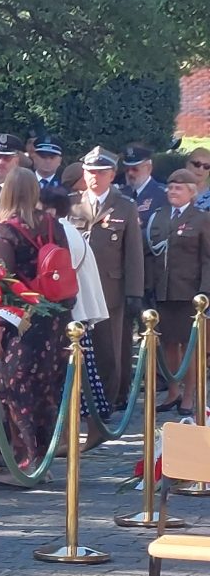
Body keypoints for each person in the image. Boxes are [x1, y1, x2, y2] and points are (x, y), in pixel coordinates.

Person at [0, 169, 72, 481]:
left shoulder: (4, 232)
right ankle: (44, 460)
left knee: (15, 390)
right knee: (47, 390)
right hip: (55, 318)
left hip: (21, 319)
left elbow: (4, 283)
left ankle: (26, 463)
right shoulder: (53, 225)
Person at [68, 146, 144, 410]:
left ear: (112, 175)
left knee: (110, 347)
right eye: (89, 171)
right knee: (78, 345)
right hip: (76, 287)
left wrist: (135, 292)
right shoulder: (72, 203)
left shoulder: (125, 206)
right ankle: (80, 399)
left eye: (100, 173)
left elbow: (134, 253)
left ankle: (111, 400)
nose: (93, 177)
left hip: (110, 286)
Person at [40, 186, 111, 452]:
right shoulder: (67, 230)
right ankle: (72, 435)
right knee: (79, 376)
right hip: (77, 312)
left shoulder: (61, 233)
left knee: (79, 378)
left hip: (72, 314)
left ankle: (85, 431)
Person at [146, 169, 210, 416]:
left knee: (190, 345)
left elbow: (207, 258)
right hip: (164, 290)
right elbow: (152, 253)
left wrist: (204, 292)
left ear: (192, 193)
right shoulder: (160, 216)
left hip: (189, 292)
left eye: (179, 188)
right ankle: (173, 391)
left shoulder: (201, 219)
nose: (173, 192)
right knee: (169, 344)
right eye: (171, 187)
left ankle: (189, 395)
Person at [121, 146, 167, 229]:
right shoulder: (120, 194)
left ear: (149, 168)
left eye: (135, 169)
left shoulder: (163, 195)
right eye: (127, 169)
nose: (130, 173)